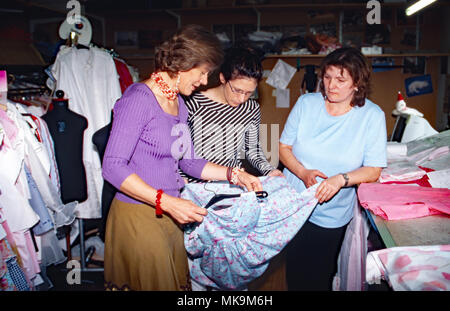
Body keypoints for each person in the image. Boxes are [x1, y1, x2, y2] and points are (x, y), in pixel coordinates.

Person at [101, 24, 263, 291]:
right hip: (139, 214)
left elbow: (188, 161)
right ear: (183, 64)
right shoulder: (138, 99)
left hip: (168, 211)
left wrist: (234, 174)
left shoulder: (179, 103)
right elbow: (112, 166)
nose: (202, 81)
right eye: (202, 73)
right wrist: (165, 201)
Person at [279, 47, 387, 291]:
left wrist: (341, 179)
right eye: (327, 77)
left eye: (340, 79)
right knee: (295, 272)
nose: (331, 85)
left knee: (318, 276)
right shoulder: (306, 103)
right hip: (292, 205)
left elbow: (373, 170)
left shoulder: (371, 116)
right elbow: (283, 148)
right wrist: (302, 172)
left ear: (357, 83)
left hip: (330, 213)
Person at [181, 45, 283, 182]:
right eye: (237, 90)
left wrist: (269, 170)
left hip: (233, 182)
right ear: (223, 78)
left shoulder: (250, 109)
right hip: (196, 184)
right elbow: (180, 152)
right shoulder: (193, 103)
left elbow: (252, 149)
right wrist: (180, 179)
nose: (242, 99)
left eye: (249, 93)